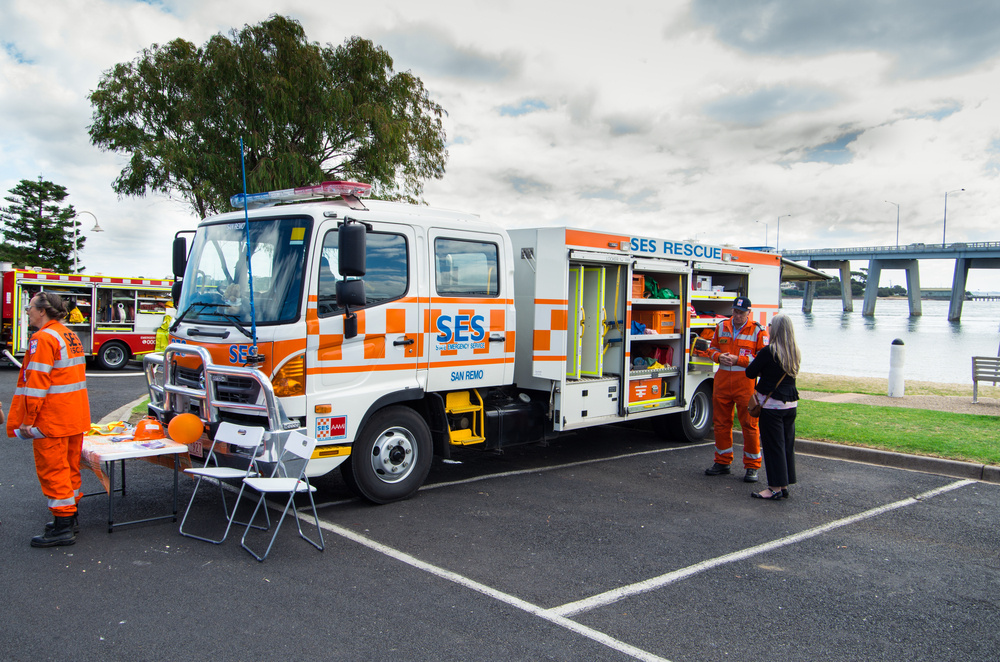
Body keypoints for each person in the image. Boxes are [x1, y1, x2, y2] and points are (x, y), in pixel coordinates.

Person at [6, 292, 91, 546]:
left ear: (43, 310)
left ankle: (63, 527)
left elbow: (37, 383)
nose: (27, 311)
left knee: (53, 470)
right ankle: (70, 517)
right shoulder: (68, 334)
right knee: (69, 468)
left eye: (30, 307)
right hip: (74, 416)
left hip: (51, 419)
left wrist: (28, 419)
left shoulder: (42, 338)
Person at [704, 296, 769, 482]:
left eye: (741, 312)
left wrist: (737, 360)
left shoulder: (758, 331)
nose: (737, 315)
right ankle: (723, 462)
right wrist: (718, 357)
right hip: (723, 383)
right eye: (735, 311)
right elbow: (712, 349)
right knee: (721, 424)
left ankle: (752, 467)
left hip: (744, 385)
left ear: (749, 312)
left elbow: (762, 359)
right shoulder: (722, 326)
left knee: (749, 425)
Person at [745, 314, 801, 500]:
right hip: (790, 403)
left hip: (771, 405)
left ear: (775, 329)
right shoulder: (794, 351)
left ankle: (774, 488)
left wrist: (763, 370)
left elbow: (750, 372)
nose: (768, 327)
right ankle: (784, 484)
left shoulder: (769, 351)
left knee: (772, 447)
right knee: (786, 445)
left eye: (771, 325)